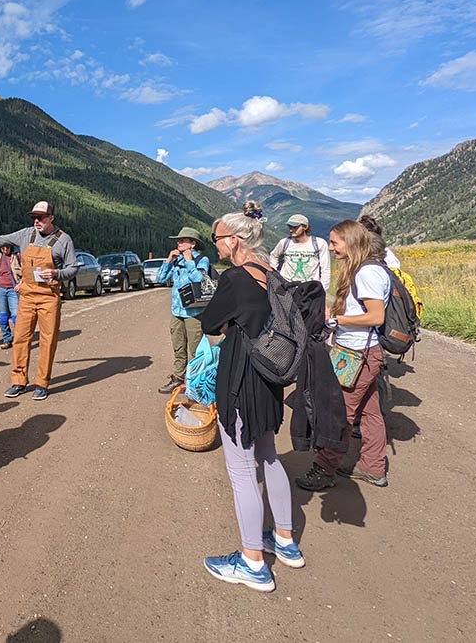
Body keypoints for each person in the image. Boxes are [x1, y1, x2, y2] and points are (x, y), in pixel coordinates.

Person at [199, 212, 303, 593]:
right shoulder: (270, 273)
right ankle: (286, 541)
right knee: (269, 457)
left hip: (241, 379)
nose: (216, 245)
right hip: (269, 379)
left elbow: (210, 322)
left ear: (235, 240)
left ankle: (252, 562)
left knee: (242, 470)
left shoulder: (236, 278)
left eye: (217, 238)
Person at [296, 219, 391, 491]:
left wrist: (337, 319)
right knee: (370, 412)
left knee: (339, 412)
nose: (330, 247)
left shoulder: (366, 274)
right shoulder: (366, 269)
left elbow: (375, 316)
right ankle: (373, 468)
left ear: (349, 242)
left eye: (335, 242)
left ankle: (324, 469)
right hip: (365, 352)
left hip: (358, 353)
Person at [0, 201, 78, 400]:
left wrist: (57, 273)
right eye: (34, 217)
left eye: (40, 217)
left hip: (49, 298)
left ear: (51, 218)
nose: (36, 221)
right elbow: (0, 239)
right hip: (27, 296)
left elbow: (73, 268)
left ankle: (42, 384)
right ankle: (19, 382)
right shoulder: (25, 234)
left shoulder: (64, 240)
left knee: (48, 341)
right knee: (21, 338)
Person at [156, 227, 212, 394]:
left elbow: (199, 280)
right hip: (177, 312)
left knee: (195, 350)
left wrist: (189, 262)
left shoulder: (202, 260)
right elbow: (160, 279)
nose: (178, 242)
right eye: (178, 240)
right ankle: (178, 379)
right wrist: (168, 260)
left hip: (194, 313)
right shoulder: (176, 260)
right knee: (178, 348)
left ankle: (197, 383)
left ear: (192, 243)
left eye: (183, 240)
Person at [269, 214, 331, 293]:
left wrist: (322, 289)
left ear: (305, 227)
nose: (291, 230)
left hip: (310, 289)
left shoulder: (319, 243)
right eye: (290, 227)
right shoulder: (284, 242)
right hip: (288, 288)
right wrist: (276, 275)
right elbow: (273, 256)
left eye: (295, 227)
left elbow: (325, 268)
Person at [0, 243, 22, 350]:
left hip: (13, 289)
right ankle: (7, 339)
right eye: (3, 247)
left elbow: (25, 272)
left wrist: (20, 284)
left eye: (7, 247)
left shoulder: (16, 257)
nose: (5, 249)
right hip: (1, 290)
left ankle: (19, 339)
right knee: (3, 317)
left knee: (16, 317)